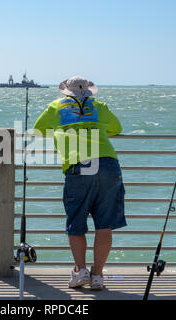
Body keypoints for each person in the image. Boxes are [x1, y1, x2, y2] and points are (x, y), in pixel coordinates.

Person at [33, 76, 127, 290]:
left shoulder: (56, 106)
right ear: (88, 92)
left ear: (66, 92)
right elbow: (116, 128)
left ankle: (80, 271)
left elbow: (39, 129)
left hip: (79, 164)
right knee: (104, 225)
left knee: (76, 223)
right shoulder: (98, 106)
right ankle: (98, 276)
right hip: (108, 164)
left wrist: (61, 132)